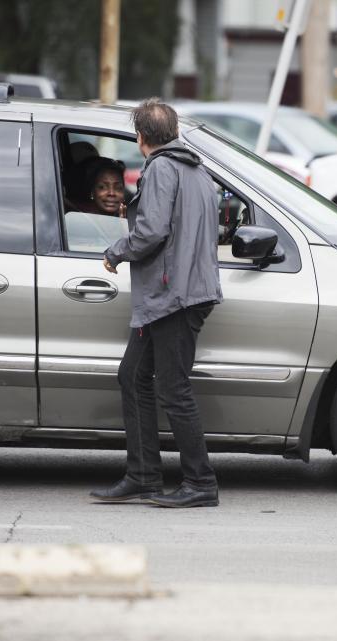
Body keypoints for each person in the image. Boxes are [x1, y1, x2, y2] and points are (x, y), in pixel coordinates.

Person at [91, 98, 223, 509]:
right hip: (175, 293)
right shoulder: (197, 170)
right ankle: (143, 475)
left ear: (141, 137)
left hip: (173, 296)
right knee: (133, 376)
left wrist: (115, 250)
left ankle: (201, 483)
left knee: (173, 389)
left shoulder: (162, 168)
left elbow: (150, 232)